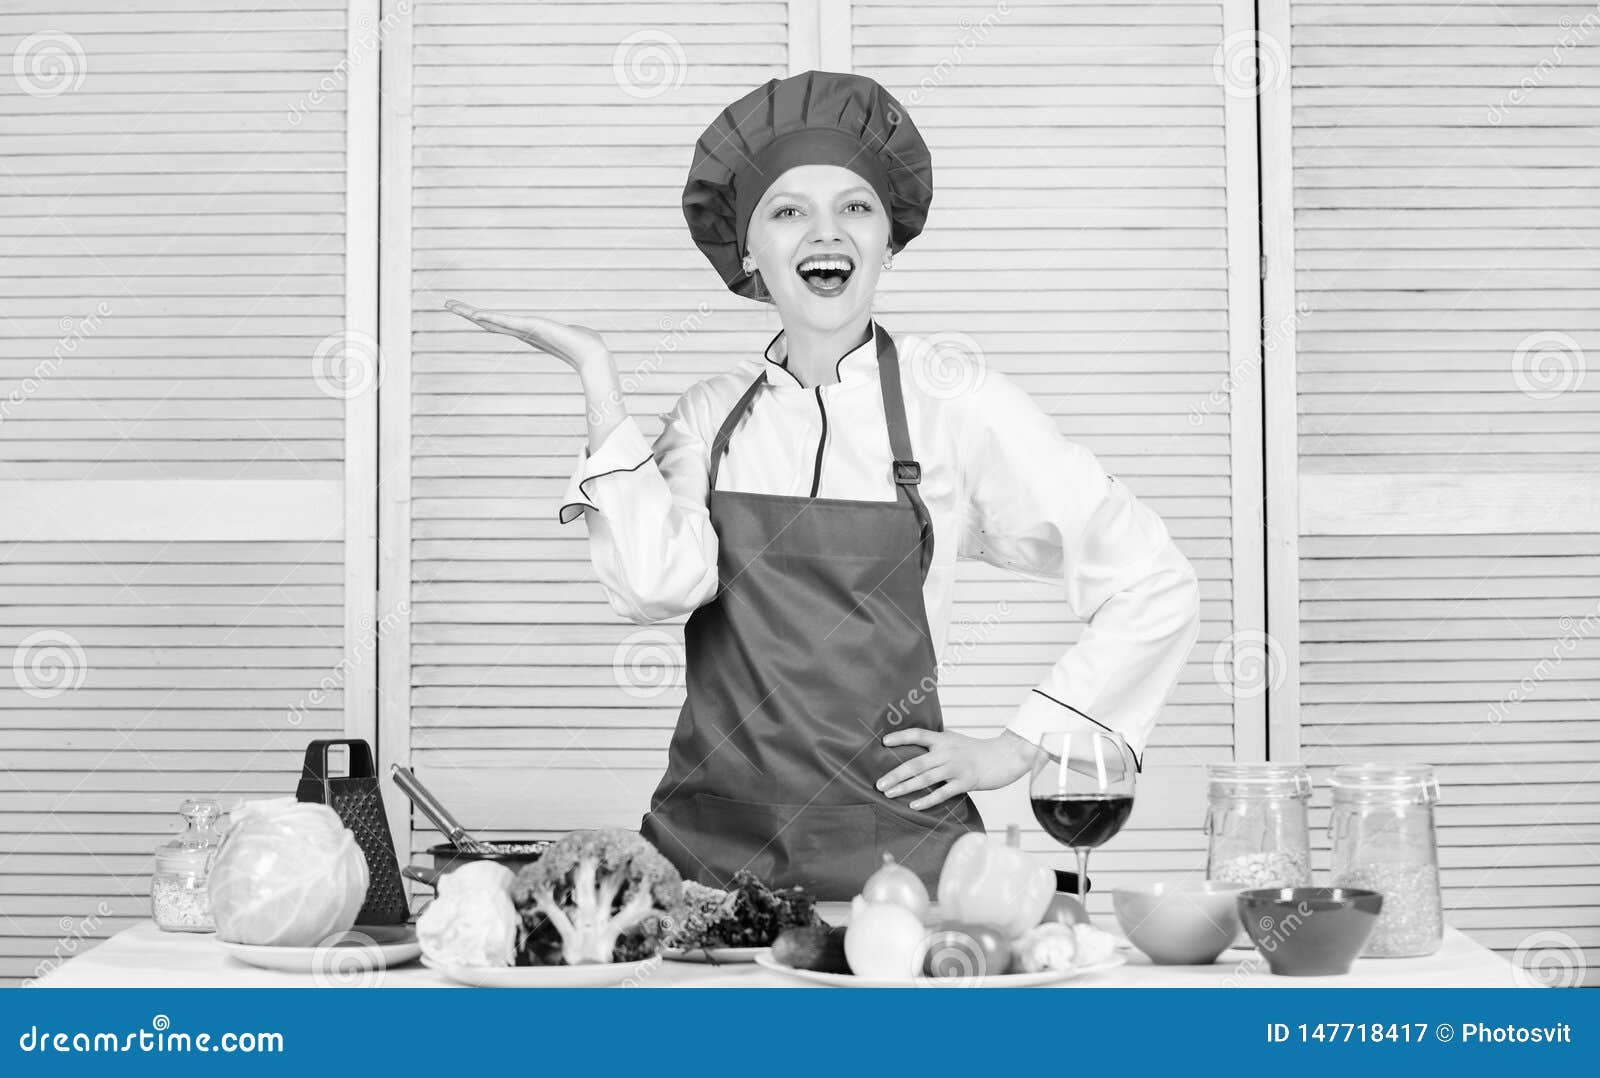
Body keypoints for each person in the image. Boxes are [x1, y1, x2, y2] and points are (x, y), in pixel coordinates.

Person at [446, 71, 1201, 899]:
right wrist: (597, 379)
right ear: (748, 251)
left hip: (898, 858)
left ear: (888, 238)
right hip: (707, 858)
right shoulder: (711, 414)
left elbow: (1152, 582)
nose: (825, 230)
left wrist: (1023, 743)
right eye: (787, 210)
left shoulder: (952, 400)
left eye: (855, 206)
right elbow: (656, 587)